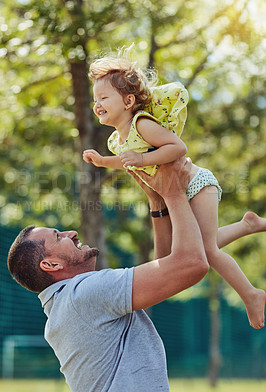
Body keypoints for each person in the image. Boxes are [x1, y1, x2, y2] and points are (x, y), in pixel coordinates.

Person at [83, 53, 266, 330]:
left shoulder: (142, 125)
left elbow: (177, 147)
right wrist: (102, 161)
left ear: (128, 101)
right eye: (95, 99)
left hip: (196, 184)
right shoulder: (117, 139)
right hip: (172, 193)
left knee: (206, 250)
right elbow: (125, 160)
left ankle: (251, 294)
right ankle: (246, 225)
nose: (97, 105)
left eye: (104, 98)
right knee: (200, 243)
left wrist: (143, 160)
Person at [8, 158, 210, 392]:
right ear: (51, 264)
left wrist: (157, 201)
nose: (71, 233)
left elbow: (165, 271)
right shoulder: (83, 293)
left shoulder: (67, 304)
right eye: (58, 236)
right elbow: (192, 264)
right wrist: (174, 192)